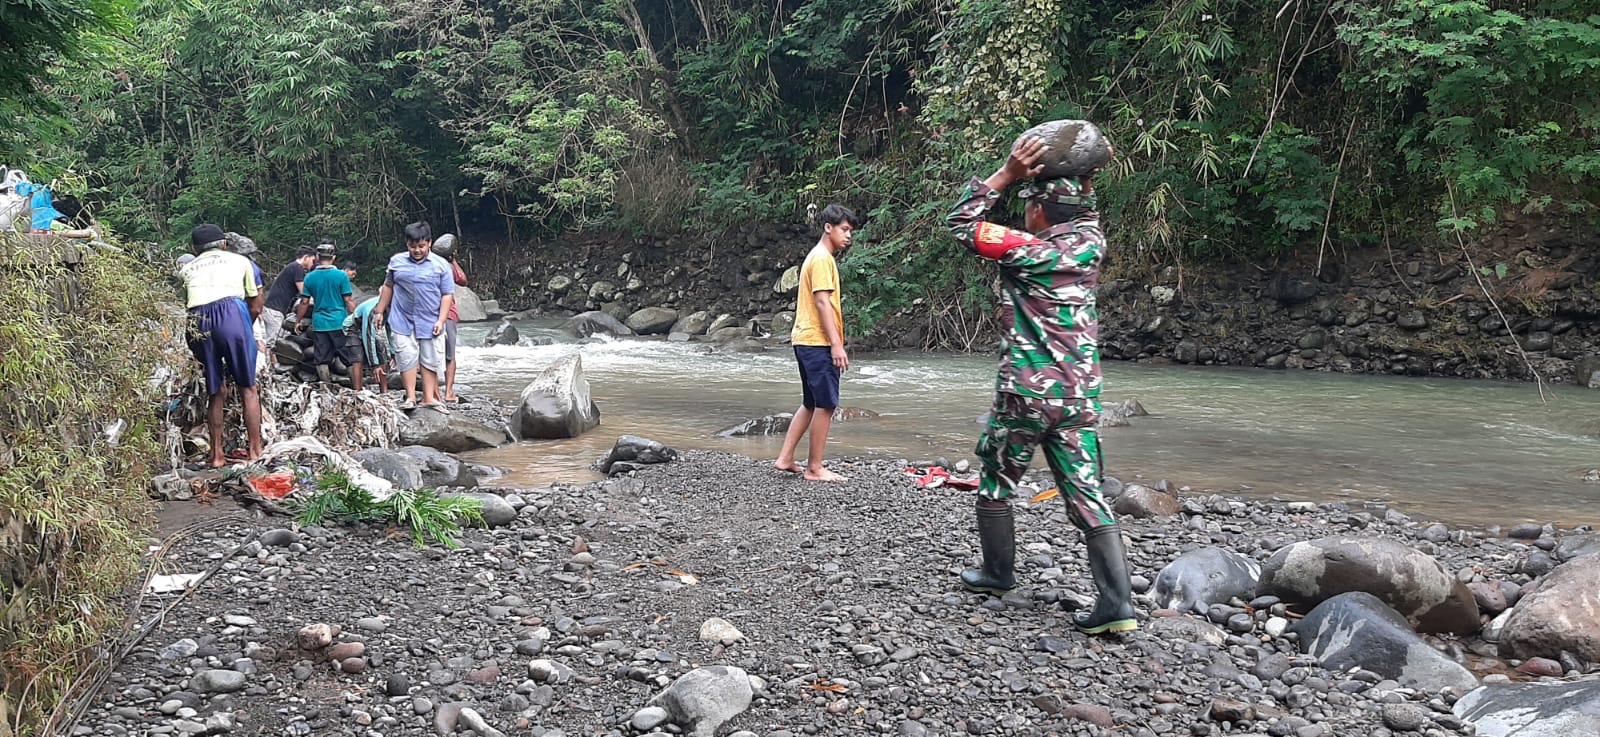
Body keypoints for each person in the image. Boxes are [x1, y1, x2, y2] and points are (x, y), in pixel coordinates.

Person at [945, 135, 1137, 635]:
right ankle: (1117, 606)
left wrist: (1007, 174)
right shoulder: (1091, 245)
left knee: (996, 479)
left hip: (1027, 393)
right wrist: (1090, 170)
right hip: (1080, 396)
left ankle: (997, 574)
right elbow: (1083, 207)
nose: (1024, 214)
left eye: (1030, 207)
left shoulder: (1025, 250)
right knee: (1087, 493)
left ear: (1041, 211)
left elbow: (961, 224)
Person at [772, 204, 857, 482]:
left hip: (805, 339)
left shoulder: (817, 257)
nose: (848, 236)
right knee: (827, 404)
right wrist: (836, 344)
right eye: (844, 230)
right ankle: (814, 468)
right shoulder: (821, 259)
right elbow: (822, 302)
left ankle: (785, 459)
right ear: (828, 227)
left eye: (850, 231)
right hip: (817, 341)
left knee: (810, 402)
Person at [177, 223, 264, 468]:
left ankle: (216, 456)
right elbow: (256, 305)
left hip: (198, 320)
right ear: (224, 244)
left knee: (216, 390)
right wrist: (243, 331)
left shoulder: (186, 268)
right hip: (232, 314)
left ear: (194, 249)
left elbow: (190, 304)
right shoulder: (242, 262)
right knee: (248, 388)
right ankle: (255, 452)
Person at [373, 221, 455, 409]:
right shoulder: (397, 262)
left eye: (421, 246)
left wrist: (442, 320)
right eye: (412, 246)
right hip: (402, 318)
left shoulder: (441, 265)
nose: (417, 250)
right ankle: (410, 397)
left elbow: (447, 294)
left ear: (429, 243)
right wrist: (379, 311)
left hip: (431, 318)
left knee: (429, 358)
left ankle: (428, 398)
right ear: (407, 244)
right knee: (406, 357)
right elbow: (388, 286)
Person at [294, 243, 356, 385]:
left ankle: (326, 388)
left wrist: (298, 320)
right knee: (348, 357)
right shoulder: (341, 276)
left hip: (320, 323)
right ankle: (355, 387)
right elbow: (348, 300)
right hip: (339, 322)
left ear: (317, 257)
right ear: (333, 257)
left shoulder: (310, 277)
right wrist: (355, 318)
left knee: (321, 358)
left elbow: (304, 302)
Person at [432, 234, 470, 402]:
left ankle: (435, 393)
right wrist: (453, 260)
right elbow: (463, 280)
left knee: (429, 355)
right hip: (447, 314)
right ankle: (448, 392)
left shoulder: (428, 265)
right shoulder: (447, 266)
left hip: (429, 313)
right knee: (450, 355)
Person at [262, 244, 317, 355]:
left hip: (272, 307)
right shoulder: (297, 268)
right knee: (273, 343)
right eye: (312, 260)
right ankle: (268, 368)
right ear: (306, 257)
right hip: (275, 309)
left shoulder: (292, 266)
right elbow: (303, 292)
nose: (313, 264)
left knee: (274, 340)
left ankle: (271, 367)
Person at [345, 296, 390, 392]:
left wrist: (392, 352)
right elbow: (368, 338)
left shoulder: (392, 306)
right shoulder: (372, 310)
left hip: (370, 328)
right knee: (358, 359)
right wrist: (374, 364)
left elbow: (389, 329)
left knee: (381, 355)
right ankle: (357, 391)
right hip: (353, 328)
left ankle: (384, 391)